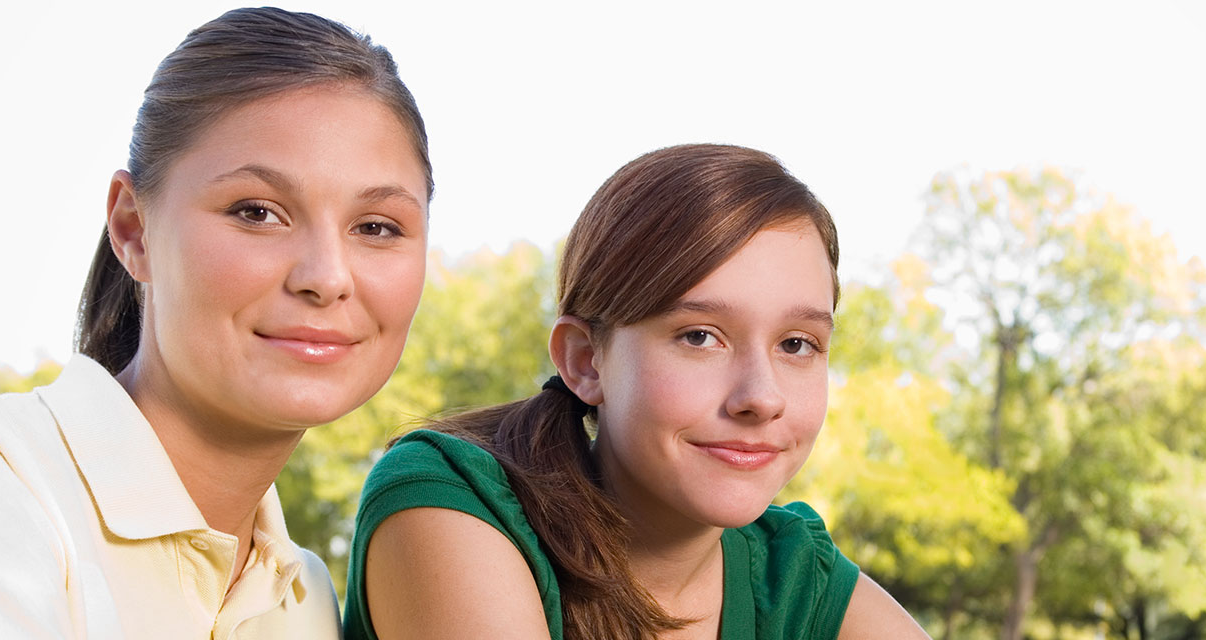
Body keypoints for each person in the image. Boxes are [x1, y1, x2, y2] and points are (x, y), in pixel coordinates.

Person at [0, 7, 432, 637]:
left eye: (377, 227)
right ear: (133, 229)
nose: (325, 276)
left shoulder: (303, 596)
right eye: (256, 211)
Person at [345, 143, 926, 639]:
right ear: (585, 361)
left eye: (797, 344)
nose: (762, 397)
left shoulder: (794, 574)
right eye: (700, 337)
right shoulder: (451, 501)